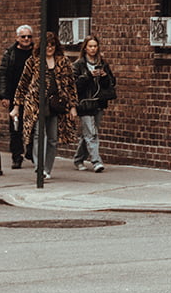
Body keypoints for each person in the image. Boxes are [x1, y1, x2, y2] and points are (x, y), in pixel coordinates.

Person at [17, 32, 68, 187]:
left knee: (53, 138)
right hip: (38, 103)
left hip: (55, 103)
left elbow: (70, 84)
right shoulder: (33, 61)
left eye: (52, 45)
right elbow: (23, 83)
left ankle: (47, 168)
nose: (50, 48)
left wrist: (72, 106)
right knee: (39, 135)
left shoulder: (62, 62)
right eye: (47, 45)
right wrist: (16, 105)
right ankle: (39, 167)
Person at [73, 35, 117, 171]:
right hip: (85, 103)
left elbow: (112, 82)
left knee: (89, 133)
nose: (93, 49)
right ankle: (96, 161)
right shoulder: (78, 64)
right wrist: (88, 76)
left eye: (95, 46)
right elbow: (74, 85)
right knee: (91, 133)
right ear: (85, 48)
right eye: (90, 46)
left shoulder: (102, 63)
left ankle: (78, 159)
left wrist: (104, 76)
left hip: (98, 102)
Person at [0, 23, 37, 169]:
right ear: (17, 38)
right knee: (15, 127)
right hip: (14, 97)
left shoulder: (36, 53)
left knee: (33, 125)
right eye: (23, 36)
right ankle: (16, 156)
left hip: (32, 96)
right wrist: (4, 96)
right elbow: (3, 75)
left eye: (29, 36)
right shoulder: (10, 53)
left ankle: (31, 151)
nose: (26, 39)